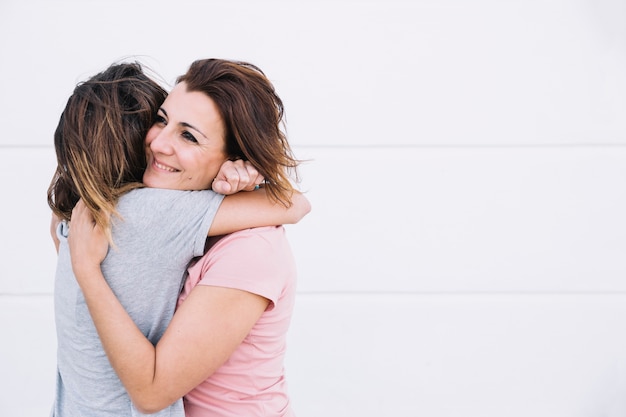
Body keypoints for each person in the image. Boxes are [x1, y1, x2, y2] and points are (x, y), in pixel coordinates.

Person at [48, 61, 309, 417]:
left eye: (188, 135)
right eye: (160, 119)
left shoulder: (250, 249)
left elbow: (294, 205)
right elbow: (293, 204)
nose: (158, 143)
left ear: (235, 157)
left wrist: (86, 270)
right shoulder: (154, 216)